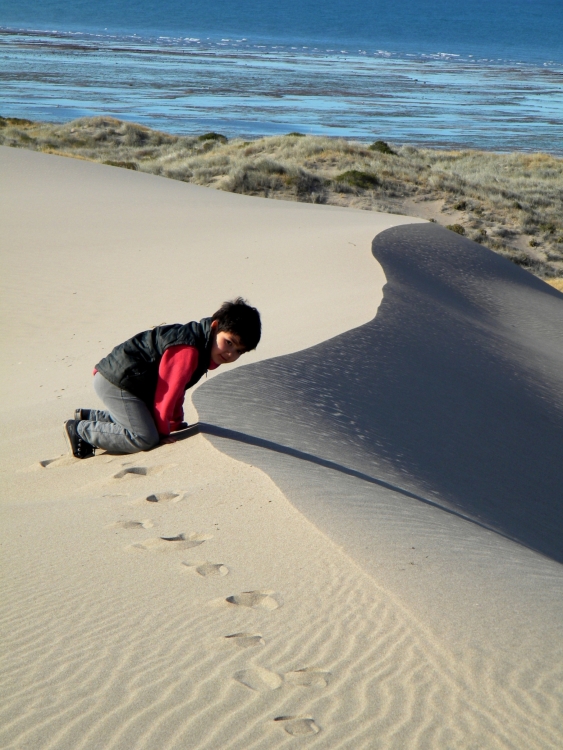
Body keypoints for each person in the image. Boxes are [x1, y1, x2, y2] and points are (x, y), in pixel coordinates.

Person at [63, 297, 261, 458]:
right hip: (119, 382)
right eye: (229, 342)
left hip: (126, 380)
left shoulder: (200, 345)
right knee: (144, 437)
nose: (230, 353)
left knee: (146, 421)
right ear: (215, 327)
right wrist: (162, 433)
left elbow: (178, 389)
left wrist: (175, 422)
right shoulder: (189, 349)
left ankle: (90, 417)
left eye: (238, 351)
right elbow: (167, 394)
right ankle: (81, 431)